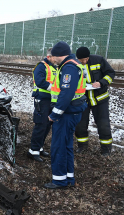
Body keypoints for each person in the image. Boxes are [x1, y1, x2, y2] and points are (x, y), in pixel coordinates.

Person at [44, 41, 87, 189]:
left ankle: (59, 181)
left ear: (58, 55)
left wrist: (55, 114)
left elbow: (66, 93)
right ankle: (69, 177)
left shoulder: (69, 67)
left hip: (66, 114)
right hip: (72, 112)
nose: (51, 59)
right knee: (67, 145)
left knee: (58, 146)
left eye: (52, 56)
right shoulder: (72, 65)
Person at [74, 47, 115, 156]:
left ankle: (106, 149)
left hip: (100, 99)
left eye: (86, 59)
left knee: (103, 124)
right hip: (83, 100)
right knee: (81, 124)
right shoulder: (74, 64)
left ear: (89, 56)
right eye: (81, 60)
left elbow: (111, 74)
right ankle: (82, 146)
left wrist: (101, 82)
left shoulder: (98, 60)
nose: (84, 62)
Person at [27, 48, 57, 162]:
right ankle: (33, 151)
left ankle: (39, 148)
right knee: (40, 125)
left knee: (47, 125)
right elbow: (39, 81)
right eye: (55, 57)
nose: (57, 59)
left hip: (50, 100)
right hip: (42, 100)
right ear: (49, 57)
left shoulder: (54, 67)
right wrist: (54, 88)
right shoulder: (41, 66)